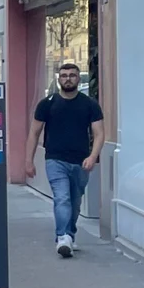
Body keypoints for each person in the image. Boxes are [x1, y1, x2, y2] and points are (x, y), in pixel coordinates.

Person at [25, 59, 103, 258]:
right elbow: (34, 133)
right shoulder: (47, 104)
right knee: (62, 198)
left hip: (81, 161)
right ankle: (62, 237)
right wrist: (28, 160)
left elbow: (99, 133)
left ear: (78, 78)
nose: (68, 79)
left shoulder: (90, 105)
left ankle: (70, 233)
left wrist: (93, 156)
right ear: (59, 79)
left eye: (72, 75)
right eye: (64, 76)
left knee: (75, 203)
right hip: (55, 159)